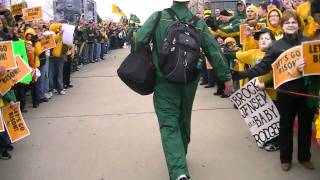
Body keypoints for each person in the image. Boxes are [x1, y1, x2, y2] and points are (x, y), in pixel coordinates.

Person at [134, 0, 233, 179]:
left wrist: (151, 59)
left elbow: (139, 40)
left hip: (163, 80)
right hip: (189, 80)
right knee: (184, 118)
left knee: (168, 123)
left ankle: (178, 171)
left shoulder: (158, 17)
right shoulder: (199, 23)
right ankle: (180, 156)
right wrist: (226, 77)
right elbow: (214, 50)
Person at [233, 10, 320, 171]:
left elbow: (317, 66)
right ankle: (285, 159)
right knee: (285, 126)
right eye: (287, 23)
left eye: (294, 22)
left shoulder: (308, 42)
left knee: (306, 127)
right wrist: (240, 74)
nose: (291, 25)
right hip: (285, 93)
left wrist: (306, 67)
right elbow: (262, 67)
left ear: (298, 24)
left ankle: (304, 157)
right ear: (282, 25)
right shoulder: (276, 47)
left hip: (306, 92)